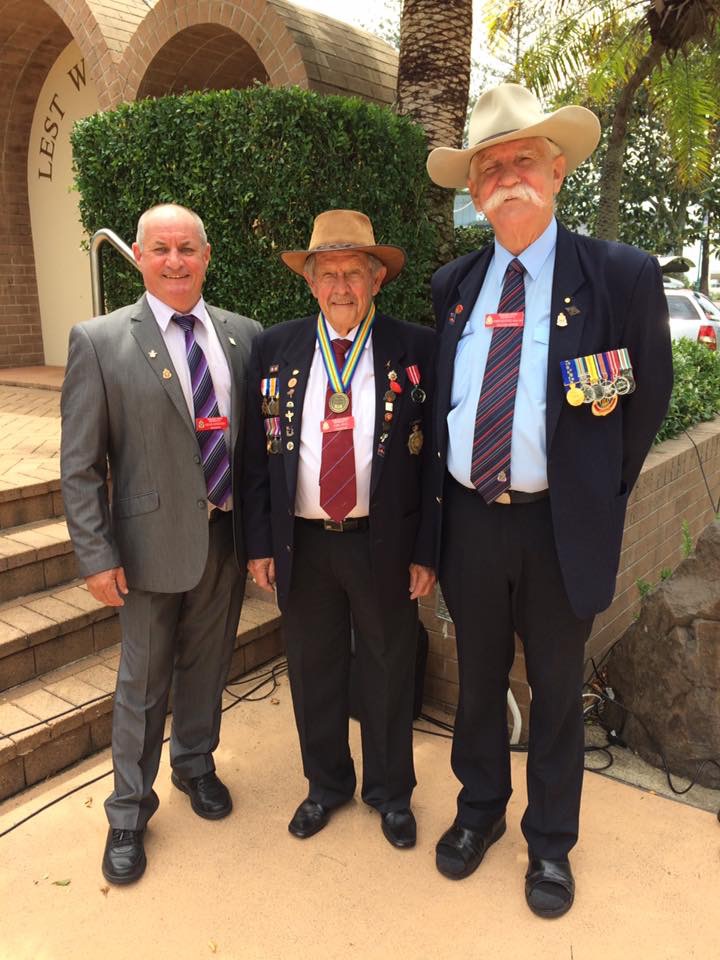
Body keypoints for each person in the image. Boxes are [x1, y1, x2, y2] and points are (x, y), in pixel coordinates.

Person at [426, 84, 673, 916]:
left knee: (558, 694)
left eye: (522, 159)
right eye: (489, 166)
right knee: (477, 682)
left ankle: (551, 844)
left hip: (560, 528)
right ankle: (479, 812)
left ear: (558, 170)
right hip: (470, 523)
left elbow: (643, 401)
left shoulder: (619, 278)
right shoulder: (453, 285)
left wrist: (594, 491)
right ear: (473, 188)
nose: (506, 177)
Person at [61, 203, 261, 885]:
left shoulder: (243, 336)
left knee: (208, 666)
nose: (175, 261)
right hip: (145, 551)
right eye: (161, 249)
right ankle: (127, 811)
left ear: (207, 256)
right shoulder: (99, 341)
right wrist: (96, 555)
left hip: (225, 540)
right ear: (140, 258)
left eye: (187, 248)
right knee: (142, 686)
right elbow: (81, 465)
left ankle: (195, 764)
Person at [242, 209, 436, 849]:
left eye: (354, 272)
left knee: (388, 668)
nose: (341, 286)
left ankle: (390, 792)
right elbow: (256, 458)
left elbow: (434, 461)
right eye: (328, 274)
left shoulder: (417, 348)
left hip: (383, 542)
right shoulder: (276, 348)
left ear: (378, 279)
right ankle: (325, 785)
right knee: (312, 669)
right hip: (303, 543)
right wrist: (260, 544)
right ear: (310, 282)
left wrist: (426, 550)